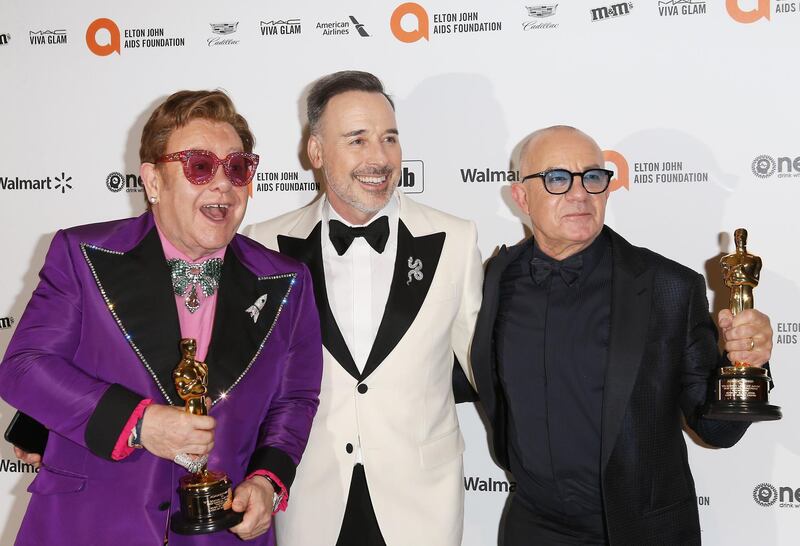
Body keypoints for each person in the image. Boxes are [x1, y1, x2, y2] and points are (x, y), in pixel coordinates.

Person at [0, 90, 322, 545]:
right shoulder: (83, 255)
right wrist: (138, 424)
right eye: (199, 166)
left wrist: (267, 481)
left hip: (221, 532)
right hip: (89, 526)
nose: (223, 183)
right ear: (153, 181)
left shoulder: (288, 280)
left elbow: (295, 400)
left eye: (236, 167)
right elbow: (24, 367)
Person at [471, 125, 775, 545]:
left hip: (640, 530)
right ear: (521, 197)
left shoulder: (668, 287)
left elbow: (716, 430)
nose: (580, 194)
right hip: (532, 528)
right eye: (558, 179)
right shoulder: (496, 278)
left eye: (593, 178)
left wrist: (746, 363)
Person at [246, 71, 483, 546]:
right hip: (309, 499)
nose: (379, 157)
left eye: (389, 138)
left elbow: (486, 373)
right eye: (357, 140)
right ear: (316, 152)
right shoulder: (264, 244)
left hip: (421, 507)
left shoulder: (456, 241)